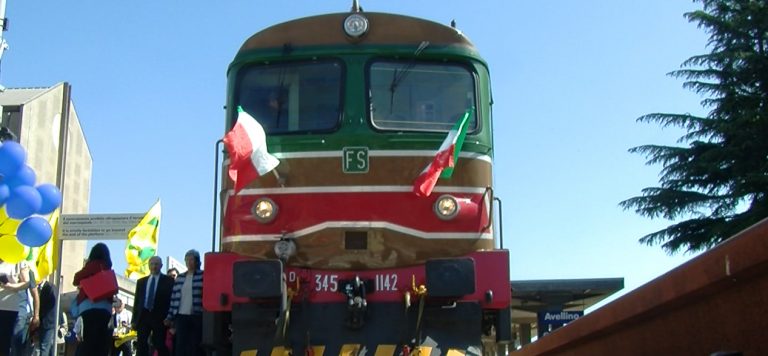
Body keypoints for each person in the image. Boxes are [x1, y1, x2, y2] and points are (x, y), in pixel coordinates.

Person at [72, 243, 116, 356]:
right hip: (105, 309)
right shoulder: (107, 267)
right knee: (101, 343)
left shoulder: (93, 265)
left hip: (89, 307)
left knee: (87, 342)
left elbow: (76, 279)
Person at [164, 250, 204, 356]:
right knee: (180, 344)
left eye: (191, 259)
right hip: (181, 315)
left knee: (195, 344)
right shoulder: (180, 278)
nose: (189, 262)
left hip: (196, 314)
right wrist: (169, 317)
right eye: (187, 260)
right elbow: (174, 298)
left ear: (197, 261)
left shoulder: (203, 276)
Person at [132, 256, 173, 356]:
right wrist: (134, 320)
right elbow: (137, 302)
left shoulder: (168, 281)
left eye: (156, 264)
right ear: (148, 266)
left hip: (159, 316)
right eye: (152, 264)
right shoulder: (141, 282)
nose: (154, 266)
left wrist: (170, 318)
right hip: (144, 315)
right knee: (141, 343)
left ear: (161, 266)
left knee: (159, 343)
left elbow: (170, 300)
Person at [1, 261, 40, 356]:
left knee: (14, 343)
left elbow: (34, 293)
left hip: (18, 311)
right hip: (4, 310)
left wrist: (36, 315)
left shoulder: (21, 263)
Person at [35, 279, 57, 356]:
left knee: (44, 346)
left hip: (48, 322)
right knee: (47, 346)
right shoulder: (41, 288)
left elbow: (53, 306)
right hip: (44, 321)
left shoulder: (50, 287)